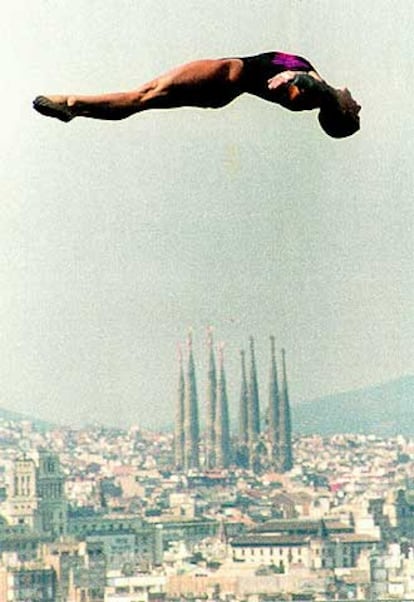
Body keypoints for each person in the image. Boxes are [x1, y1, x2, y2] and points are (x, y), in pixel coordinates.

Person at [33, 50, 361, 138]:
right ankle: (72, 107)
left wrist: (294, 76)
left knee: (143, 96)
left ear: (340, 113)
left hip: (223, 79)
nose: (358, 104)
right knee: (141, 99)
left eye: (355, 111)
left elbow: (310, 90)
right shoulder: (318, 87)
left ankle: (72, 104)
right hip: (221, 83)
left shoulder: (314, 96)